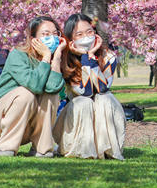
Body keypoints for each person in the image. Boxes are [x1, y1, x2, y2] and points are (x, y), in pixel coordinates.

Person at [0, 15, 66, 157]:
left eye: (55, 33)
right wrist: (45, 58)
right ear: (33, 39)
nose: (52, 37)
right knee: (26, 94)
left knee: (51, 94)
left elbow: (54, 88)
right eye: (45, 34)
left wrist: (56, 58)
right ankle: (4, 147)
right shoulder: (18, 55)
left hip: (26, 127)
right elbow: (35, 86)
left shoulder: (54, 58)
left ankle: (42, 148)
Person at [53, 14, 126, 159]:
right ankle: (81, 149)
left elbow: (102, 88)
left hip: (103, 105)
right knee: (83, 102)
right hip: (78, 108)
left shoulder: (108, 57)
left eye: (89, 32)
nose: (86, 37)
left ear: (96, 33)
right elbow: (84, 92)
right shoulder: (65, 61)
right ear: (71, 39)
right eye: (79, 34)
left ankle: (109, 150)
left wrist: (90, 57)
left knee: (104, 98)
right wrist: (86, 57)